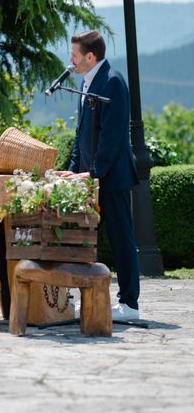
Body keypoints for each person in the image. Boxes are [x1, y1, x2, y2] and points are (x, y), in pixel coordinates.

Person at [55, 29, 141, 321]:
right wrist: (72, 169)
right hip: (90, 178)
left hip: (112, 177)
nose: (71, 60)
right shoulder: (86, 82)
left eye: (75, 55)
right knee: (83, 239)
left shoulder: (113, 81)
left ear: (90, 57)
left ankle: (129, 305)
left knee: (121, 239)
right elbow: (82, 136)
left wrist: (93, 174)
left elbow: (112, 136)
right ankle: (86, 299)